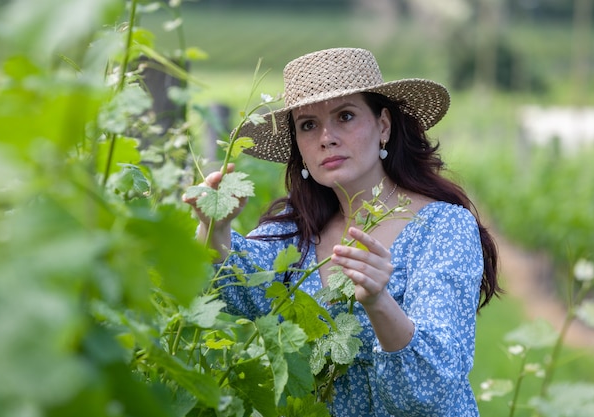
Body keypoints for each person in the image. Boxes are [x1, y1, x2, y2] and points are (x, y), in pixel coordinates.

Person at [184, 47, 501, 416]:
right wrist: (214, 228)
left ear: (383, 125)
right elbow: (242, 289)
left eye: (345, 116)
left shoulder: (443, 227)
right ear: (299, 148)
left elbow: (433, 385)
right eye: (308, 125)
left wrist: (379, 302)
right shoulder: (296, 229)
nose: (326, 138)